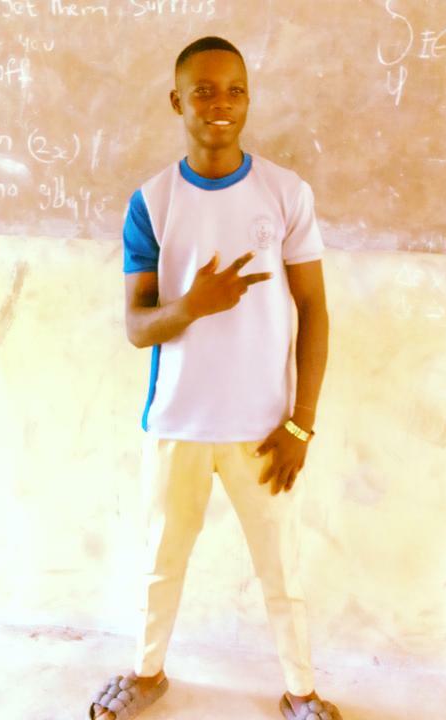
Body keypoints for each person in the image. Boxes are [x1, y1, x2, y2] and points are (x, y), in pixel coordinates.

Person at [89, 36, 342, 720]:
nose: (220, 104)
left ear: (248, 99)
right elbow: (137, 326)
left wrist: (301, 424)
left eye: (234, 90)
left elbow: (315, 310)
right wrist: (192, 306)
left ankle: (301, 691)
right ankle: (147, 674)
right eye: (203, 91)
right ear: (177, 102)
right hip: (178, 422)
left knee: (282, 570)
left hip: (266, 430)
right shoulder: (152, 202)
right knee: (160, 562)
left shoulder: (285, 193)